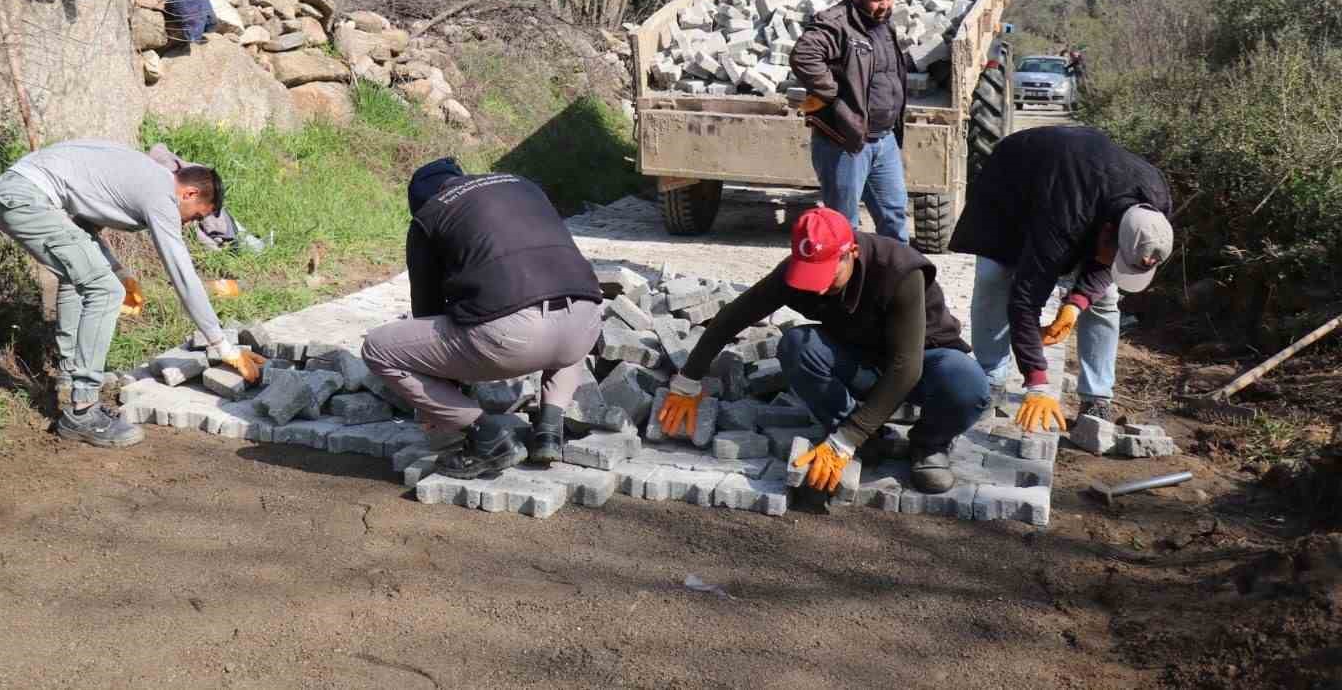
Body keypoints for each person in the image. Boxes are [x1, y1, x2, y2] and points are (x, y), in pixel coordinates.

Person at [658, 206, 989, 495]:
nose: (817, 286)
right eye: (810, 274)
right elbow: (735, 315)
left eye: (827, 274)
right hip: (859, 360)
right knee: (797, 345)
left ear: (851, 253)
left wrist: (848, 438)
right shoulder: (796, 272)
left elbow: (906, 366)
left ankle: (928, 444)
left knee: (967, 383)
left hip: (923, 363)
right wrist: (688, 379)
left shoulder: (899, 271)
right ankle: (870, 441)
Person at [0, 140, 264, 448]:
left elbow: (82, 228)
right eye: (196, 216)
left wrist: (120, 271)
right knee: (104, 291)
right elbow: (183, 276)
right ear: (189, 193)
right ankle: (83, 412)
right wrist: (223, 346)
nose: (190, 223)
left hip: (11, 193)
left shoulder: (141, 176)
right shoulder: (161, 193)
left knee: (81, 278)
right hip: (25, 199)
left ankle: (71, 378)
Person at [361, 158, 604, 480]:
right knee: (562, 306)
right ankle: (548, 429)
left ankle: (488, 437)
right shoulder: (524, 185)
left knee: (377, 348)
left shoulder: (429, 217)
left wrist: (442, 398)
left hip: (516, 339)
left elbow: (428, 309)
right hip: (587, 323)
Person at [948, 125, 1173, 433]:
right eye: (1115, 255)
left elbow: (1107, 264)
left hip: (1082, 184)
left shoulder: (1153, 211)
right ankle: (991, 378)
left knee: (1105, 299)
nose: (1114, 264)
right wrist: (1037, 382)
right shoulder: (1066, 218)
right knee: (994, 276)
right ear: (1107, 234)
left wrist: (1075, 304)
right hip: (1014, 182)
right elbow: (1025, 299)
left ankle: (1097, 398)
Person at [789, 0, 913, 243]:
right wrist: (835, 94)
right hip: (845, 143)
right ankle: (846, 285)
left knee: (894, 217)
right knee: (843, 227)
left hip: (884, 140)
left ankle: (894, 283)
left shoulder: (883, 24)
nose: (884, 5)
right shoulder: (836, 23)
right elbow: (804, 56)